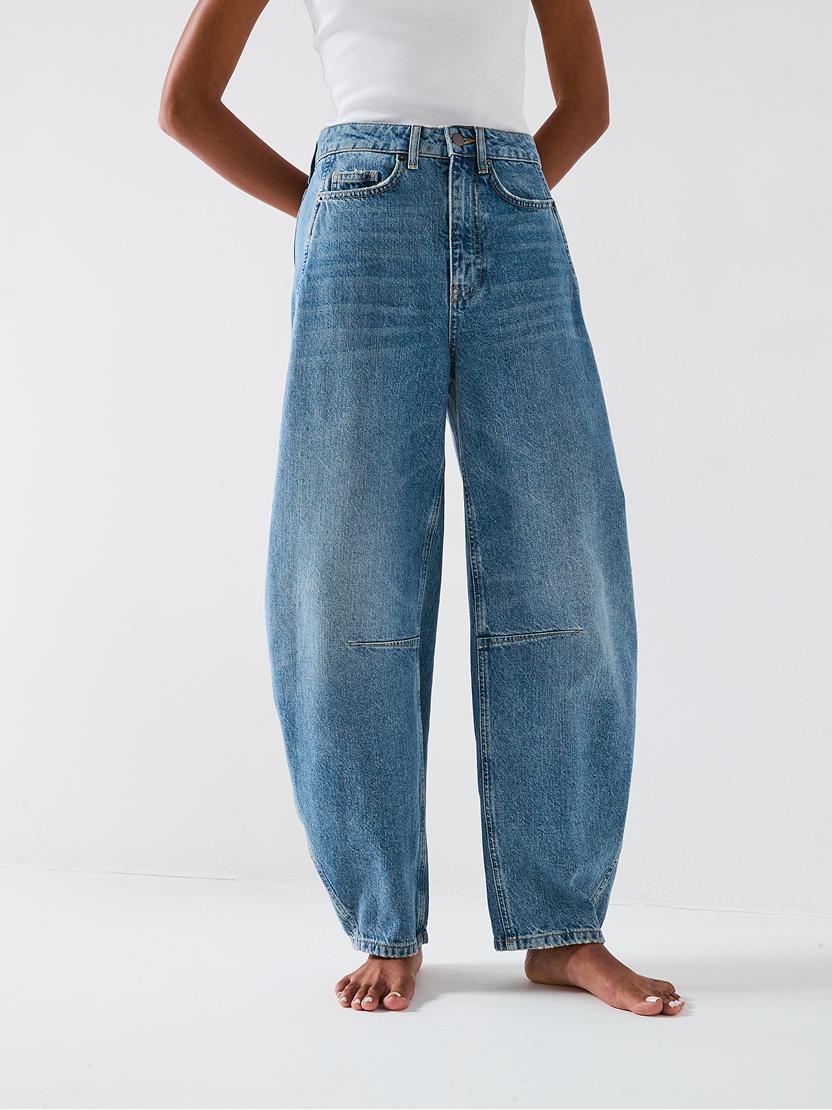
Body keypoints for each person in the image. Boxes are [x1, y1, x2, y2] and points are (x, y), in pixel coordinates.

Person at [159, 0, 684, 1018]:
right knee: (346, 572)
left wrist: (490, 193)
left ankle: (563, 929)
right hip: (360, 216)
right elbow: (186, 104)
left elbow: (587, 103)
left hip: (516, 216)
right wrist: (323, 203)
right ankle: (384, 922)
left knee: (565, 559)